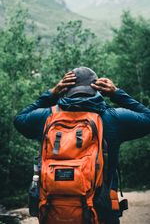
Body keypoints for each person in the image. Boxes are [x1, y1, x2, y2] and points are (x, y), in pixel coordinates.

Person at [14, 67, 150, 223]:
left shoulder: (47, 117)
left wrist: (52, 93)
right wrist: (116, 93)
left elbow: (19, 120)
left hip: (54, 211)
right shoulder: (113, 118)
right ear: (97, 88)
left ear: (66, 88)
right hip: (101, 212)